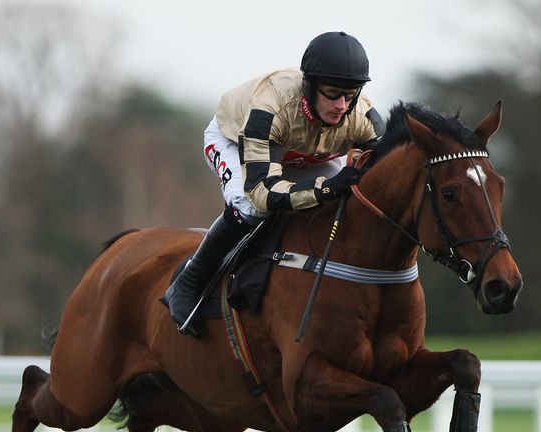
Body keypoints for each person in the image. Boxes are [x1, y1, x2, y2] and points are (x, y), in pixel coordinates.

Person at [163, 31, 385, 337]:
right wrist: (323, 190)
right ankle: (188, 281)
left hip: (305, 153)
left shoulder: (363, 116)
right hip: (235, 141)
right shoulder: (270, 107)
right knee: (250, 208)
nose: (341, 105)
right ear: (309, 86)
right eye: (332, 93)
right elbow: (261, 193)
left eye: (350, 94)